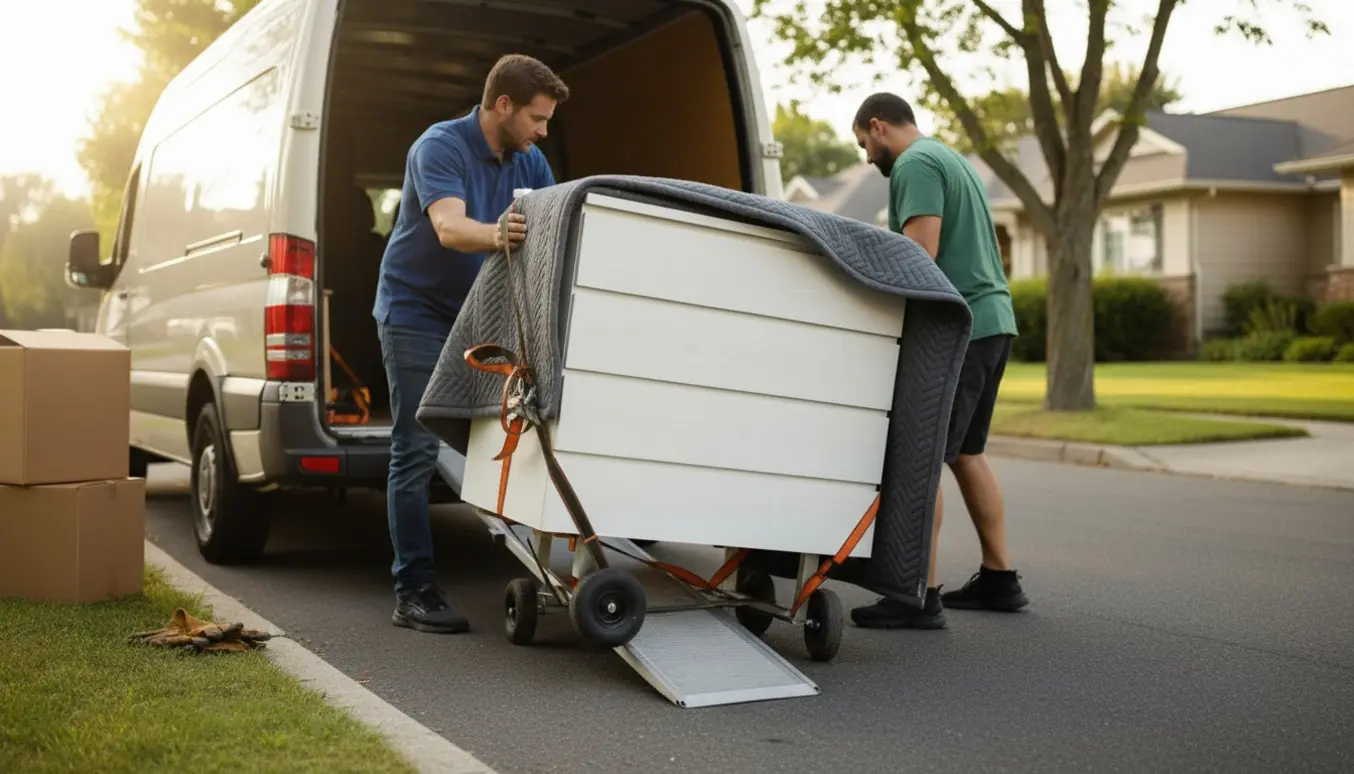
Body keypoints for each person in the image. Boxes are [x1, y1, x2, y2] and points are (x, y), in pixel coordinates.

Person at [372, 54, 569, 634]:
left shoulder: (530, 158)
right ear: (502, 105)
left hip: (481, 313)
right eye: (537, 118)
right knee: (414, 449)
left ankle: (542, 569)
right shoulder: (440, 146)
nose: (543, 132)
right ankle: (413, 591)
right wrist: (497, 234)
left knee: (514, 431)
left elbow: (551, 233)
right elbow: (449, 228)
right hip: (414, 311)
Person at [848, 92, 1029, 630]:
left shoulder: (916, 164)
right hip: (994, 321)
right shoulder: (952, 158)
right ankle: (1001, 579)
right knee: (967, 452)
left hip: (961, 328)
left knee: (923, 459)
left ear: (878, 127)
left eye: (863, 145)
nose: (866, 160)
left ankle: (915, 596)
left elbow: (918, 258)